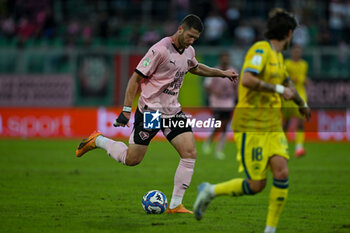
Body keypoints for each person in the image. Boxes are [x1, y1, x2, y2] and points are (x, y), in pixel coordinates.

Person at [75, 14, 238, 214]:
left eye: (195, 38)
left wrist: (222, 73)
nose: (191, 41)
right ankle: (98, 140)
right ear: (180, 29)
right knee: (132, 159)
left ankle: (175, 204)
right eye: (189, 36)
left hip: (173, 112)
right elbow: (135, 79)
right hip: (151, 111)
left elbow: (195, 68)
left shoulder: (189, 51)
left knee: (189, 153)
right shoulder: (159, 50)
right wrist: (126, 110)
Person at [193, 8, 311, 233]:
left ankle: (270, 229)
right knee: (256, 185)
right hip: (250, 125)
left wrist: (301, 103)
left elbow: (288, 84)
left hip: (272, 125)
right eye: (292, 35)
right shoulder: (260, 50)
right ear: (288, 33)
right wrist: (277, 89)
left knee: (282, 172)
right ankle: (210, 191)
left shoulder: (278, 57)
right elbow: (246, 79)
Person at [202, 52, 237, 159]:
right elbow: (206, 86)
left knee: (225, 126)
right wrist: (214, 93)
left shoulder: (233, 71)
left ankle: (219, 150)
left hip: (228, 102)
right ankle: (209, 142)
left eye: (227, 57)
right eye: (224, 57)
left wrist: (235, 97)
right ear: (220, 59)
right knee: (219, 125)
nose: (226, 59)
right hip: (217, 102)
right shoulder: (214, 71)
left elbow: (236, 85)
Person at [283, 45, 310, 157]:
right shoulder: (287, 63)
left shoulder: (304, 64)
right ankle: (283, 146)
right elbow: (284, 78)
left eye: (299, 51)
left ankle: (299, 148)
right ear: (292, 52)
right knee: (286, 123)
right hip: (289, 97)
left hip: (301, 95)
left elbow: (303, 78)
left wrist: (302, 79)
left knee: (300, 122)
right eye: (295, 51)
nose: (297, 53)